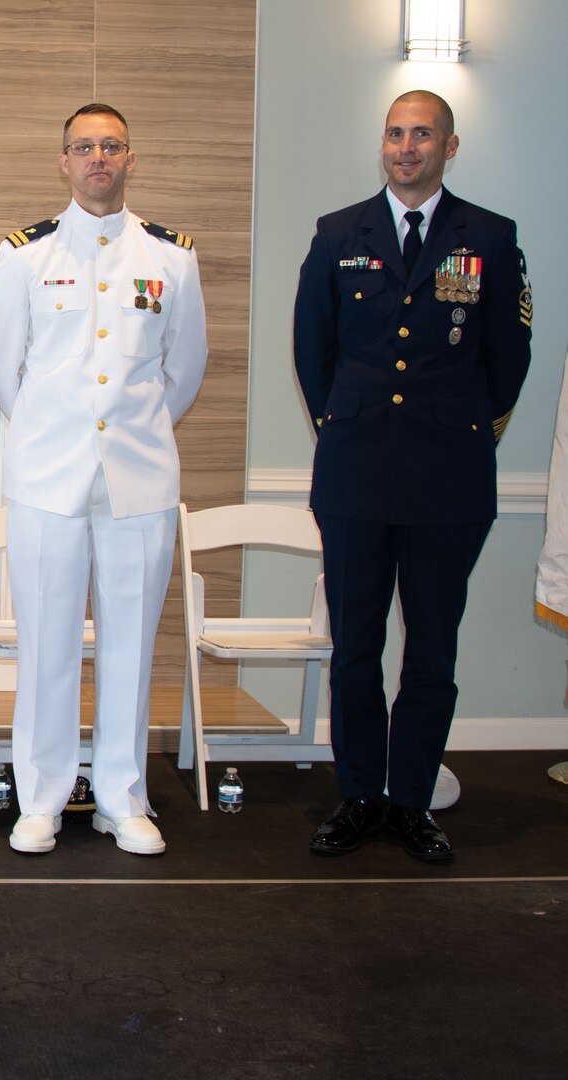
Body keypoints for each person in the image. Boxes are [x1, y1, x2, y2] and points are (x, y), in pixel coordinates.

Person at [294, 90, 531, 864]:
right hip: (356, 476)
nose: (405, 147)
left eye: (421, 134)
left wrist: (455, 430)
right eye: (394, 134)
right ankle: (359, 795)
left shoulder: (490, 238)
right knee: (355, 648)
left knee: (431, 651)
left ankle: (409, 800)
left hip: (447, 481)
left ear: (448, 146)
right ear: (382, 145)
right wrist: (345, 425)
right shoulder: (338, 234)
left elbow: (507, 361)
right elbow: (311, 351)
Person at [0, 103, 207, 858]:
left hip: (138, 480)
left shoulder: (171, 257)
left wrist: (129, 434)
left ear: (130, 158)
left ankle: (121, 796)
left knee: (130, 644)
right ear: (63, 161)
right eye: (83, 147)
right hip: (48, 478)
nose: (97, 158)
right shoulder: (24, 256)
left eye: (110, 146)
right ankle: (40, 798)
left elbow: (184, 368)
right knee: (43, 643)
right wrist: (57, 432)